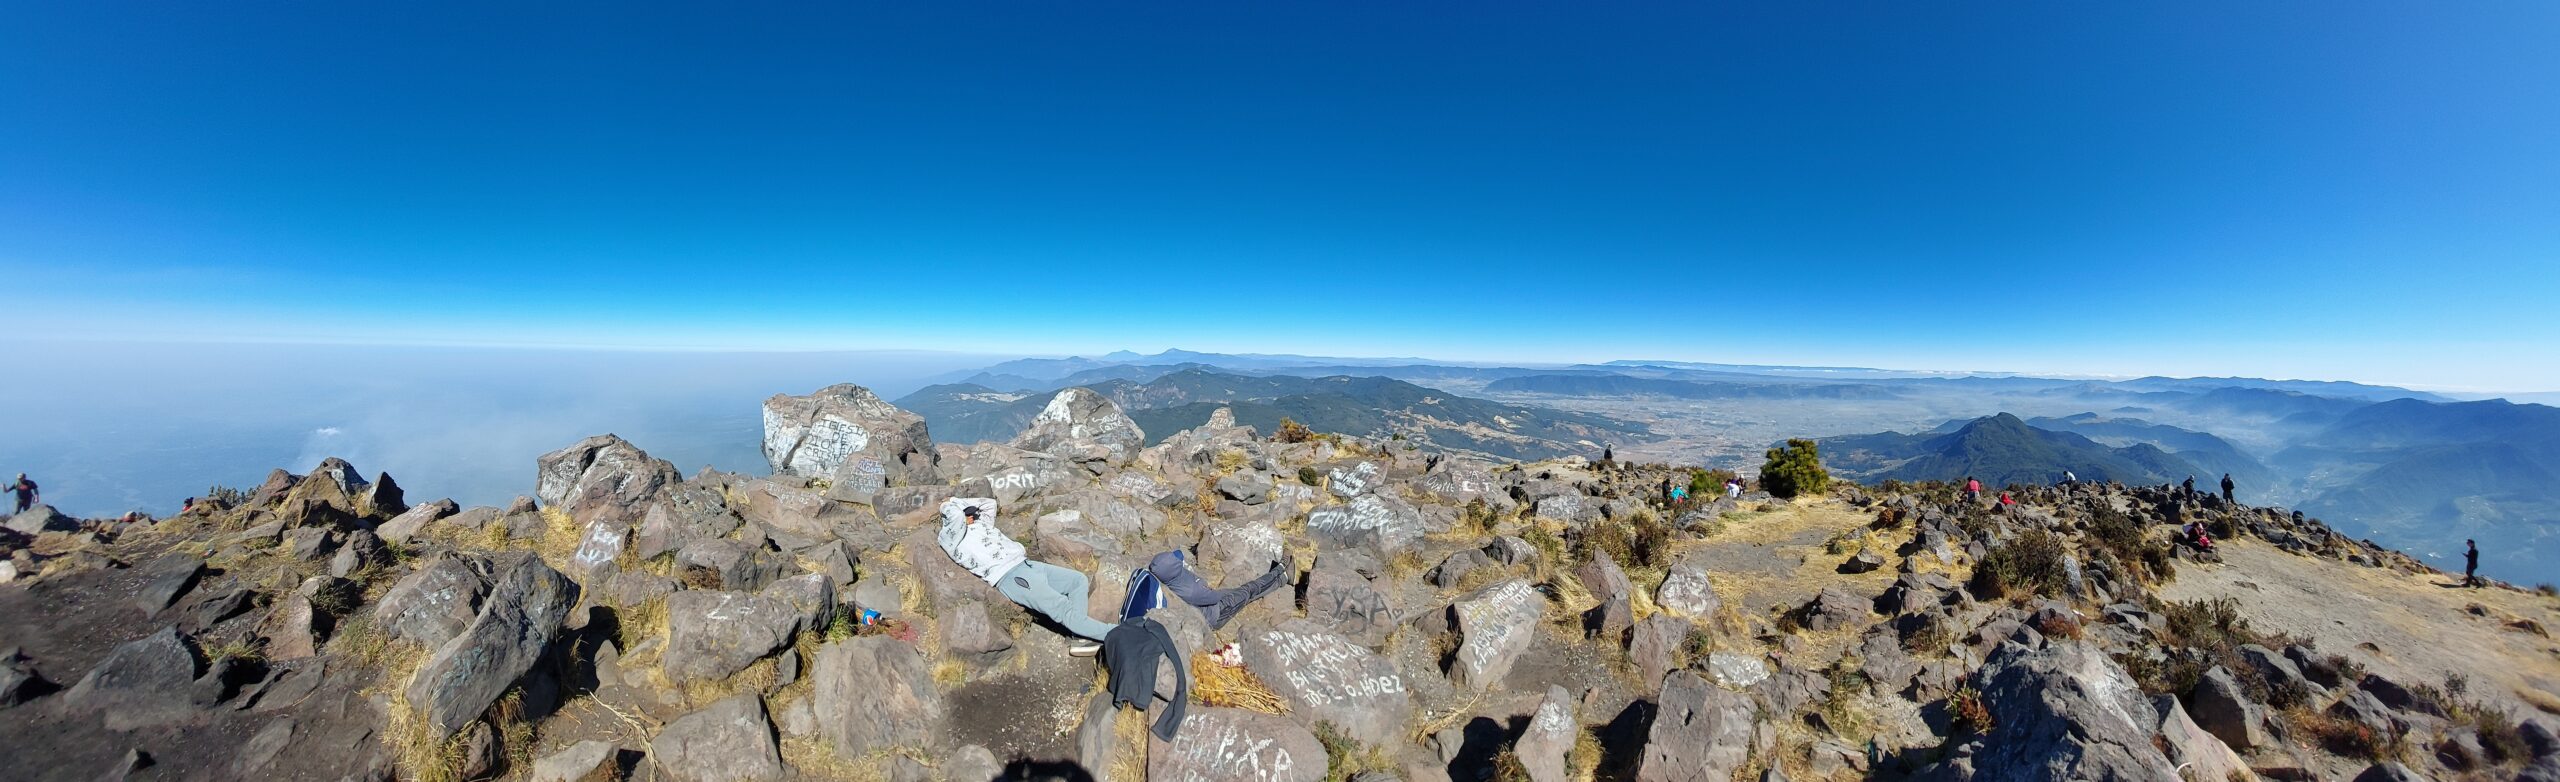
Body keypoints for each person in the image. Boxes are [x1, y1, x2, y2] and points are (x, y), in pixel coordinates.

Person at [937, 498, 1112, 654]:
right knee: (1063, 609)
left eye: (970, 514)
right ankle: (1117, 633)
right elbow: (957, 518)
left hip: (1028, 565)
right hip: (1010, 576)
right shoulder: (951, 538)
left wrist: (956, 499)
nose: (971, 517)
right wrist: (946, 504)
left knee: (1077, 580)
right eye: (966, 515)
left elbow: (989, 503)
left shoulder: (980, 524)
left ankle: (1080, 635)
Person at [1146, 549, 1292, 630]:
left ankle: (1280, 575)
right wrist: (1229, 592)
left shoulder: (1169, 579)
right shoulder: (1191, 591)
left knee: (1244, 593)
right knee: (1247, 591)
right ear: (1173, 569)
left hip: (1209, 600)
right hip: (1218, 612)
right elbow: (1214, 597)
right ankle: (1281, 575)